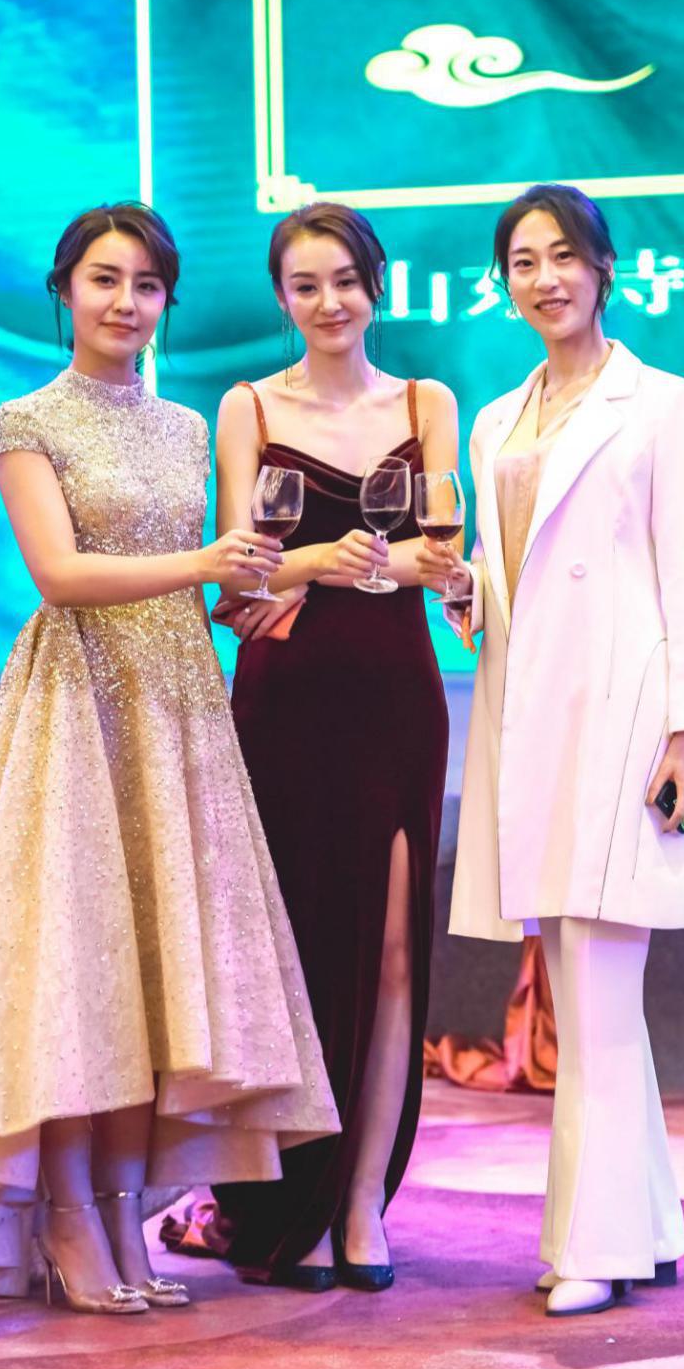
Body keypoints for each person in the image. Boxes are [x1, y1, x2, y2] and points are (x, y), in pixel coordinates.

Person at [0, 202, 338, 1315]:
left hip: (177, 702)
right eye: (104, 279)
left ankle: (125, 1210)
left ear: (168, 300)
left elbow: (198, 579)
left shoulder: (182, 426)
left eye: (147, 284)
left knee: (152, 975)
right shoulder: (26, 418)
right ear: (65, 290)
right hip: (78, 703)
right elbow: (63, 575)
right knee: (79, 969)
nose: (126, 302)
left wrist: (261, 590)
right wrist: (204, 564)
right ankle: (68, 1213)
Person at [418, 183, 684, 1318]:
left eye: (562, 256)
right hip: (530, 721)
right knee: (589, 991)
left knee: (594, 994)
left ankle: (590, 1244)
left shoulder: (662, 403)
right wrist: (467, 589)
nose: (544, 278)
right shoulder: (498, 418)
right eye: (522, 261)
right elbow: (513, 575)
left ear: (602, 268)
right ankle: (647, 1226)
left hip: (624, 720)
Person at [181, 202, 454, 1291]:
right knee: (286, 950)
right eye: (306, 284)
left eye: (345, 279)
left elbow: (443, 553)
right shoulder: (247, 405)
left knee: (390, 953)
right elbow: (235, 570)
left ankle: (360, 1201)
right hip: (285, 700)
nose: (329, 301)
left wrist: (416, 565)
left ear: (375, 285)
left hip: (395, 695)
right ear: (282, 297)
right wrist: (313, 562)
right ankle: (282, 1197)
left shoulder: (426, 402)